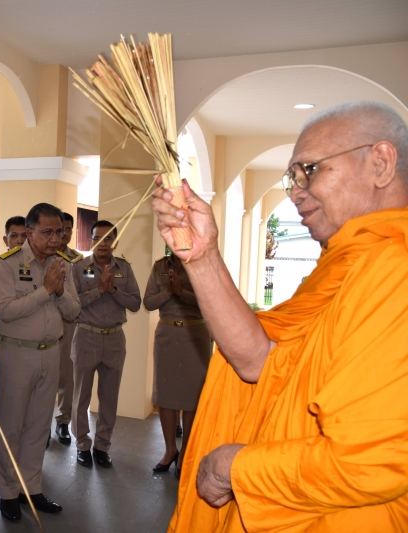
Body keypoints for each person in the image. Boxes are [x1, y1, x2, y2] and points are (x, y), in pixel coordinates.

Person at [152, 101, 408, 532]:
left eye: (311, 169)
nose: (295, 190)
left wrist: (236, 466)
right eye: (293, 177)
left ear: (380, 163)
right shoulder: (345, 266)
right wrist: (201, 257)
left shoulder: (394, 268)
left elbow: (368, 462)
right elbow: (261, 362)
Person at [0, 203, 80, 522]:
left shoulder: (62, 264)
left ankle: (31, 487)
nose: (55, 238)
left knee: (39, 424)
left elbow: (73, 311)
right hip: (17, 352)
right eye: (47, 232)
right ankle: (7, 492)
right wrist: (45, 291)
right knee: (11, 424)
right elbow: (6, 310)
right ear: (29, 233)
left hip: (50, 351)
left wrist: (56, 293)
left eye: (58, 231)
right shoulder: (6, 264)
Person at [72, 220, 141, 469]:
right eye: (97, 238)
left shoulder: (124, 268)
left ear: (116, 242)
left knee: (109, 397)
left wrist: (113, 291)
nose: (103, 244)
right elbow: (71, 304)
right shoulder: (79, 268)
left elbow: (135, 303)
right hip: (86, 336)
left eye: (108, 238)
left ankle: (102, 446)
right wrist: (97, 292)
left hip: (114, 338)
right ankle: (82, 445)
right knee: (81, 396)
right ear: (90, 242)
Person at [142, 252, 210, 478]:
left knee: (192, 397)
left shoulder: (203, 263)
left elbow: (211, 301)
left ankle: (186, 454)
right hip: (167, 333)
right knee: (166, 395)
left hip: (195, 332)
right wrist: (169, 292)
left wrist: (183, 293)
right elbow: (149, 302)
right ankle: (170, 450)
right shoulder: (160, 266)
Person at [53, 211, 82, 445]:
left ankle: (62, 421)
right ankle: (40, 425)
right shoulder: (43, 255)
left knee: (66, 375)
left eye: (69, 229)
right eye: (61, 229)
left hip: (69, 323)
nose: (65, 233)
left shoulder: (79, 260)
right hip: (44, 320)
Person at [0, 216, 27, 315]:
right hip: (7, 327)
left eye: (24, 236)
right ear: (5, 240)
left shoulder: (38, 263)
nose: (20, 241)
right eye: (14, 236)